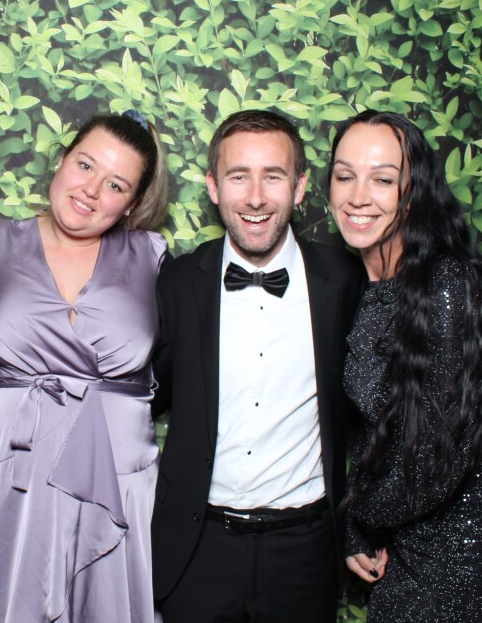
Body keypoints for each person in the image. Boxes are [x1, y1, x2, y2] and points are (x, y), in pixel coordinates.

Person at [0, 110, 170, 622]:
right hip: (11, 472)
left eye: (115, 184)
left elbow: (174, 371)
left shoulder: (152, 258)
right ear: (62, 158)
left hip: (115, 477)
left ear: (132, 203)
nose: (91, 190)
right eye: (85, 165)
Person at [151, 109, 367, 622]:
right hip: (196, 549)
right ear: (213, 186)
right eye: (238, 177)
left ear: (299, 187)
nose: (254, 197)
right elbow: (144, 397)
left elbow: (378, 414)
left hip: (305, 552)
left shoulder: (344, 281)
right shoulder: (177, 283)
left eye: (272, 176)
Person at [328, 110, 482, 620]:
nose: (358, 196)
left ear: (414, 191)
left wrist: (350, 517)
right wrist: (356, 528)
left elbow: (435, 460)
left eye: (383, 179)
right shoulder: (359, 286)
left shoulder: (447, 284)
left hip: (473, 562)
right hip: (410, 555)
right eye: (344, 176)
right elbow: (375, 432)